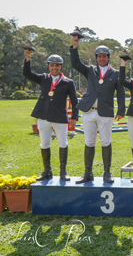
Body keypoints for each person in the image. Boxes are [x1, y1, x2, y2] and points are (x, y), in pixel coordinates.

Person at [70, 37, 125, 184]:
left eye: (104, 56)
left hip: (105, 112)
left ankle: (107, 173)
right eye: (99, 56)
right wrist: (74, 46)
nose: (102, 58)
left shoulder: (116, 73)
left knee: (106, 141)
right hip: (88, 111)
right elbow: (75, 63)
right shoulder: (90, 70)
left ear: (108, 58)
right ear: (96, 58)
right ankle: (88, 173)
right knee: (89, 142)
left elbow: (120, 93)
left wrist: (121, 110)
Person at [23, 50, 78, 181]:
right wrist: (28, 58)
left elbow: (74, 101)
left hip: (60, 118)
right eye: (52, 65)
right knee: (44, 144)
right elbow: (27, 73)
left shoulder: (68, 82)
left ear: (61, 67)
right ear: (48, 66)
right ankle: (47, 171)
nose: (54, 67)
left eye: (57, 65)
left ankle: (63, 171)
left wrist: (74, 118)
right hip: (43, 116)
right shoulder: (43, 78)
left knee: (63, 143)